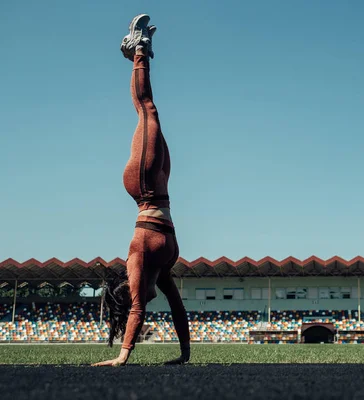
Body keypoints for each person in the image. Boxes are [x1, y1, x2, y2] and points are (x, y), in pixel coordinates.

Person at [92, 14, 191, 366]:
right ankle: (137, 52)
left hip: (145, 185)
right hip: (162, 186)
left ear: (127, 287)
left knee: (146, 110)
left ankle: (137, 50)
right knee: (151, 112)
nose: (148, 299)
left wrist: (122, 357)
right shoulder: (161, 270)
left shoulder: (138, 263)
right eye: (148, 299)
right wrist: (185, 354)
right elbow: (178, 308)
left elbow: (135, 310)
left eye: (142, 297)